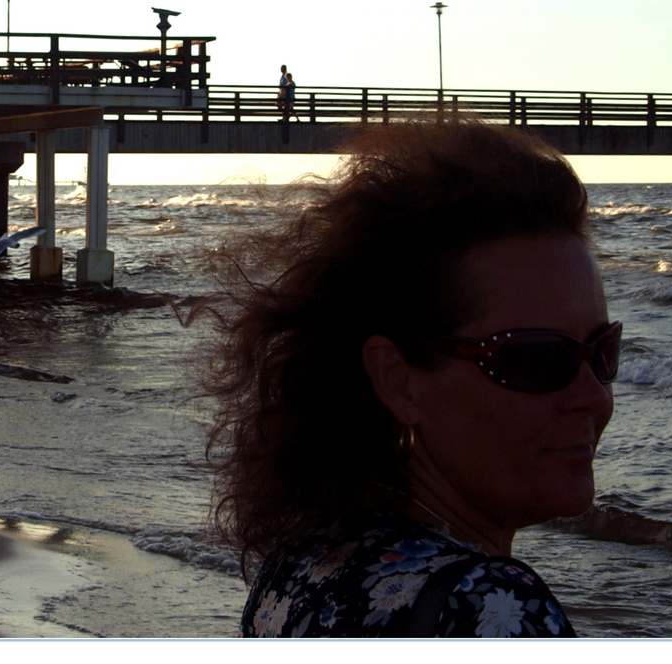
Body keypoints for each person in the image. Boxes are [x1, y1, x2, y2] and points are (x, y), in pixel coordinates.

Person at [201, 121, 613, 638]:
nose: (592, 396)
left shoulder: (303, 564)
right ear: (398, 380)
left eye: (602, 351)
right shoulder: (489, 608)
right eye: (534, 358)